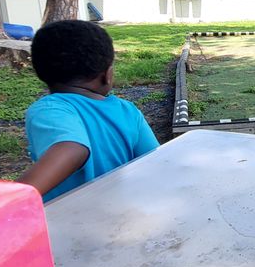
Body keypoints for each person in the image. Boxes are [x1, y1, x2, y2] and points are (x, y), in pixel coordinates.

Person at [17, 20, 159, 201]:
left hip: (65, 224)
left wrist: (3, 204)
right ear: (107, 75)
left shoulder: (49, 109)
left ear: (40, 73)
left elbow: (72, 147)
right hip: (123, 217)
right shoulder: (127, 111)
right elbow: (157, 162)